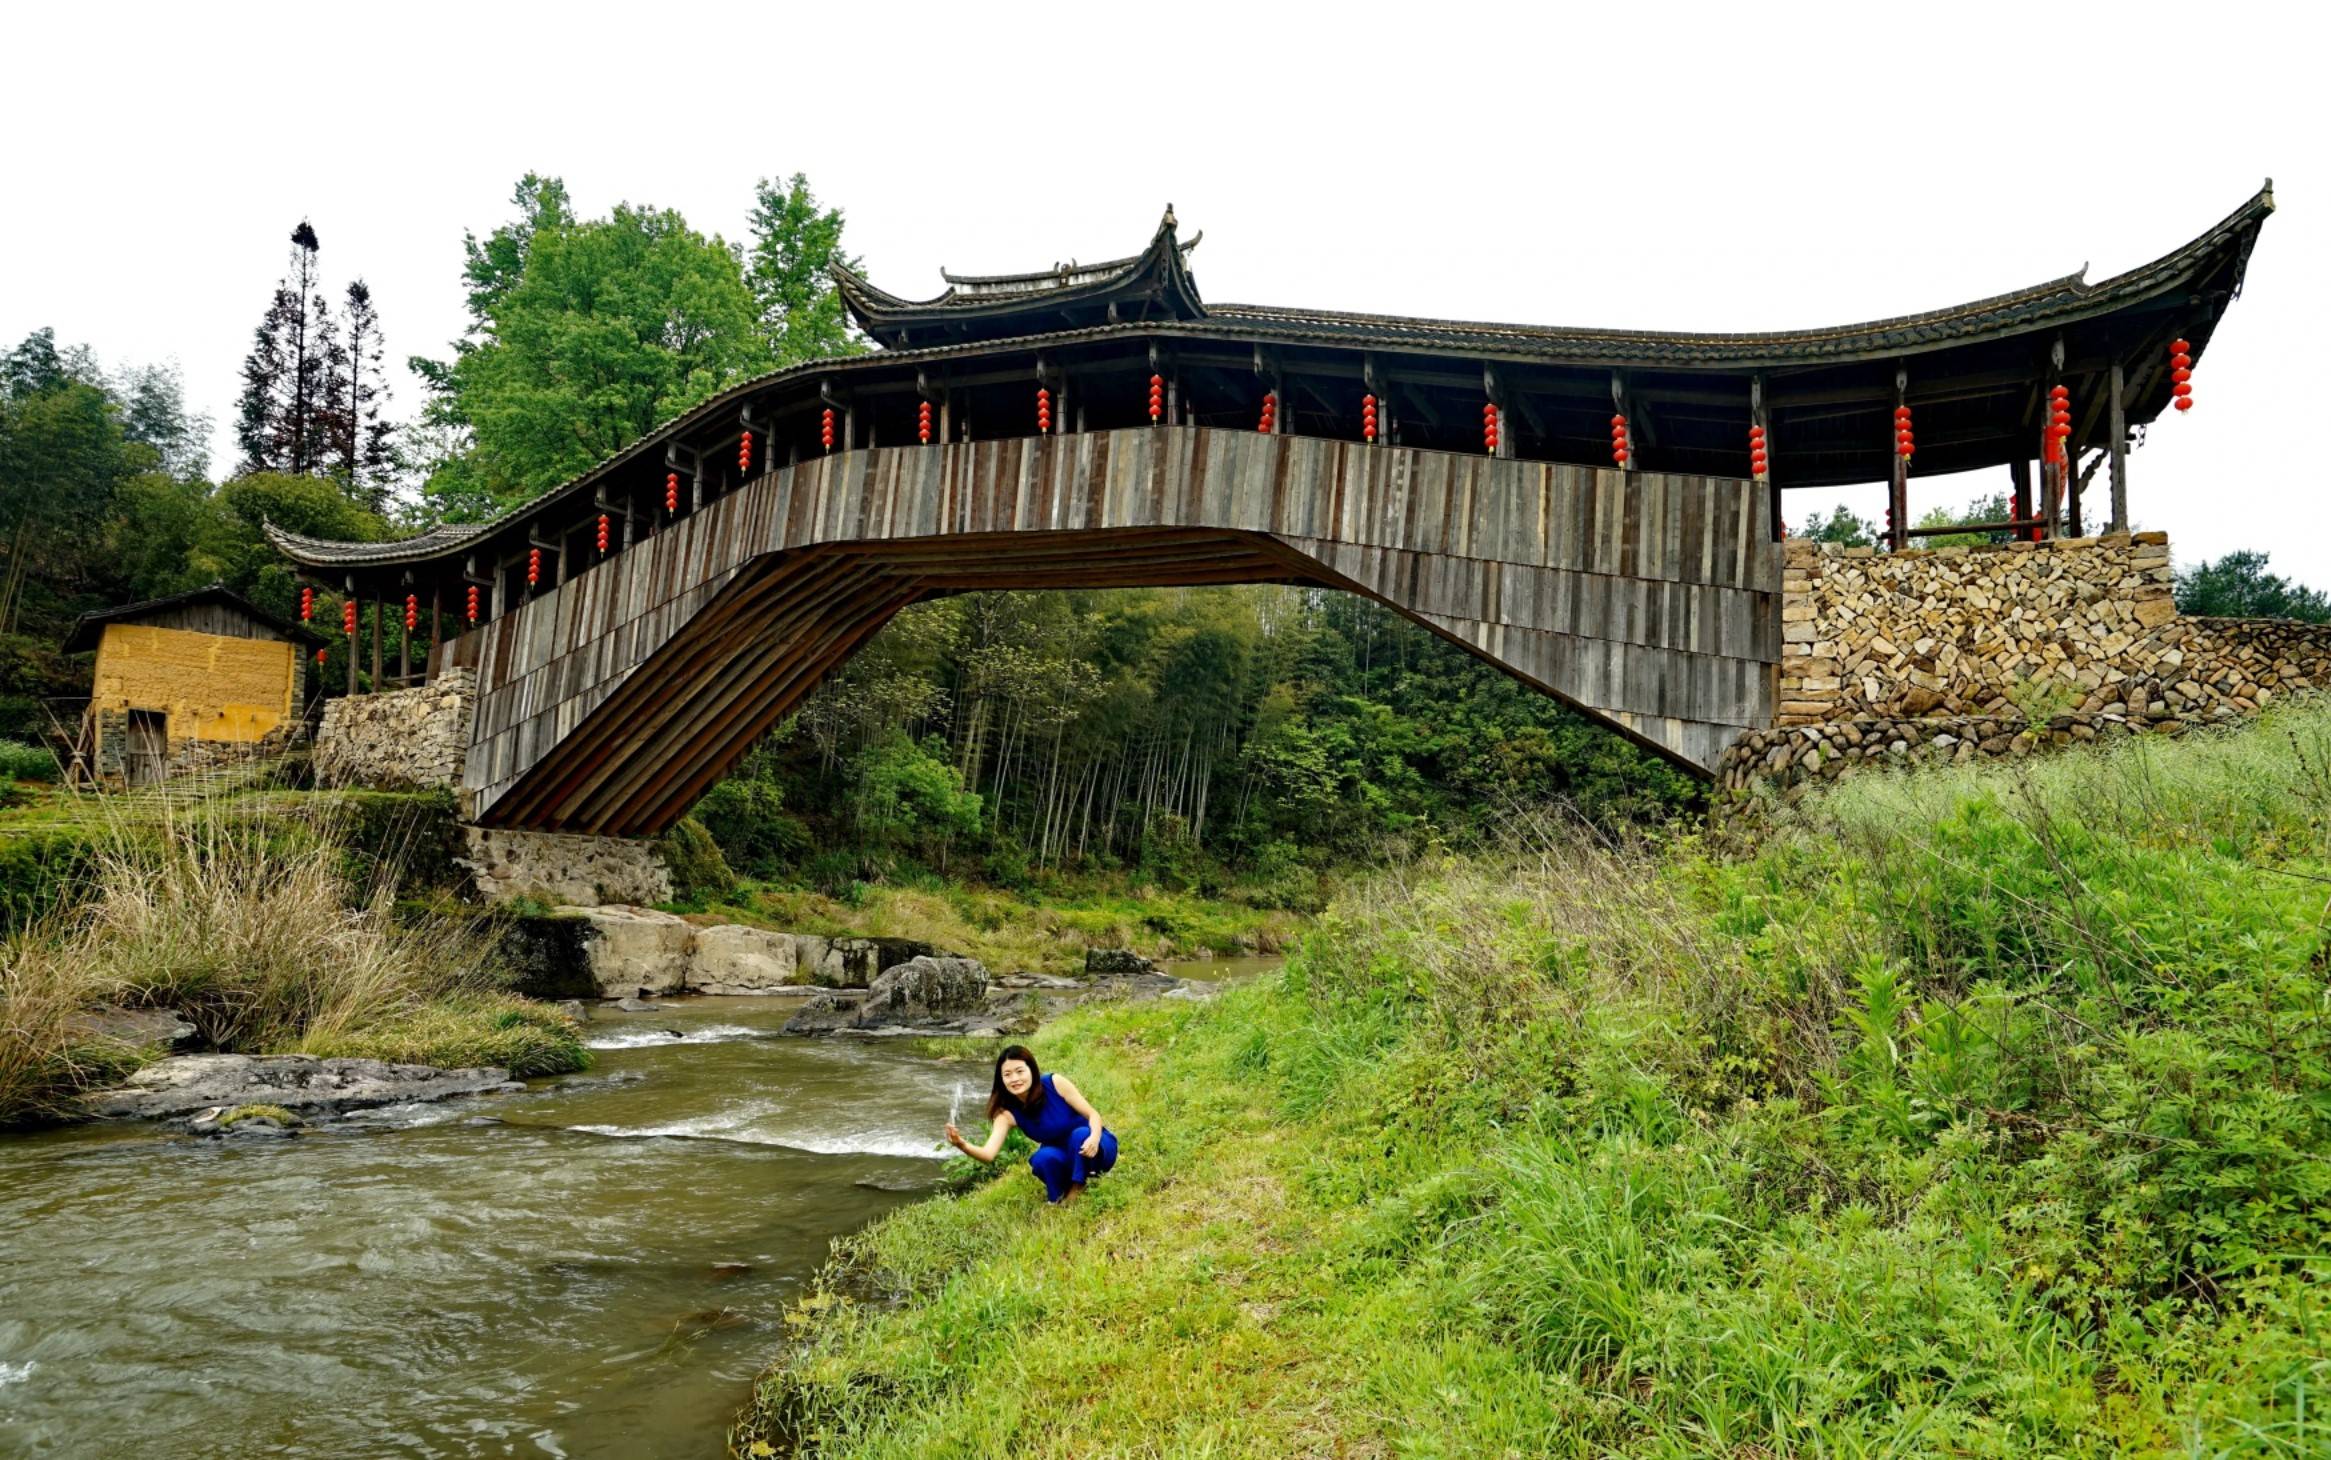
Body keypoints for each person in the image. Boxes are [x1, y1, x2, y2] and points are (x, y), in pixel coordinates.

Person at [944, 1044, 1117, 1204]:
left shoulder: (1054, 1083)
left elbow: (1093, 1114)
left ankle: (1077, 1188)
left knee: (1079, 1135)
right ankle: (1056, 1198)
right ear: (1001, 1079)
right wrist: (961, 1144)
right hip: (1063, 1156)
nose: (1015, 1079)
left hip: (1094, 1147)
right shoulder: (1007, 1114)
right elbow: (988, 1154)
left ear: (1031, 1070)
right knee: (1042, 1158)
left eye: (1020, 1071)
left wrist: (1094, 1137)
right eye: (1007, 1074)